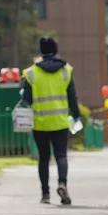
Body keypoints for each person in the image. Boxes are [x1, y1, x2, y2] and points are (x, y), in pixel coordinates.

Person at [21, 37, 80, 205]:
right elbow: (72, 98)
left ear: (41, 50)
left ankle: (45, 194)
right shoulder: (66, 71)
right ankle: (62, 184)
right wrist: (76, 117)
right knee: (61, 155)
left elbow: (26, 99)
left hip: (40, 122)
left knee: (44, 158)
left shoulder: (31, 73)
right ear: (55, 49)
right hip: (60, 122)